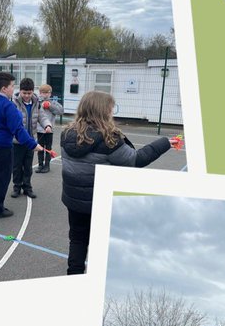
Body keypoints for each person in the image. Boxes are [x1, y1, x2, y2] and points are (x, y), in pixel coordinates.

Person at [60, 90, 179, 274]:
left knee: (77, 239)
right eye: (110, 109)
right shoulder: (109, 140)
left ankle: (73, 276)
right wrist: (164, 143)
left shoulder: (67, 133)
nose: (112, 113)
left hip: (74, 200)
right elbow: (136, 160)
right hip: (99, 202)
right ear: (102, 111)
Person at [0, 71, 42, 220]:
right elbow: (18, 129)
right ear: (4, 88)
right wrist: (33, 144)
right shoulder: (9, 106)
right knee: (0, 178)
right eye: (12, 86)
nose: (13, 89)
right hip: (0, 147)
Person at [11, 78, 40, 200]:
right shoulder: (13, 103)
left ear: (33, 92)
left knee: (28, 166)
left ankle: (27, 187)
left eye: (29, 93)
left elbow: (41, 116)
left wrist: (47, 124)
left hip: (30, 142)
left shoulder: (36, 103)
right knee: (17, 166)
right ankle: (16, 187)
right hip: (17, 142)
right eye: (24, 93)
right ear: (20, 91)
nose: (27, 96)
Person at [34, 84, 64, 174]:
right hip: (39, 130)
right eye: (43, 93)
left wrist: (50, 106)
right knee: (40, 148)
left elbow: (61, 111)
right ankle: (40, 165)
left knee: (48, 148)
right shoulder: (37, 102)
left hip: (49, 130)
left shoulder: (53, 103)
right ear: (40, 93)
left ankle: (47, 165)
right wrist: (41, 105)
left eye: (47, 93)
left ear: (50, 93)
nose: (46, 95)